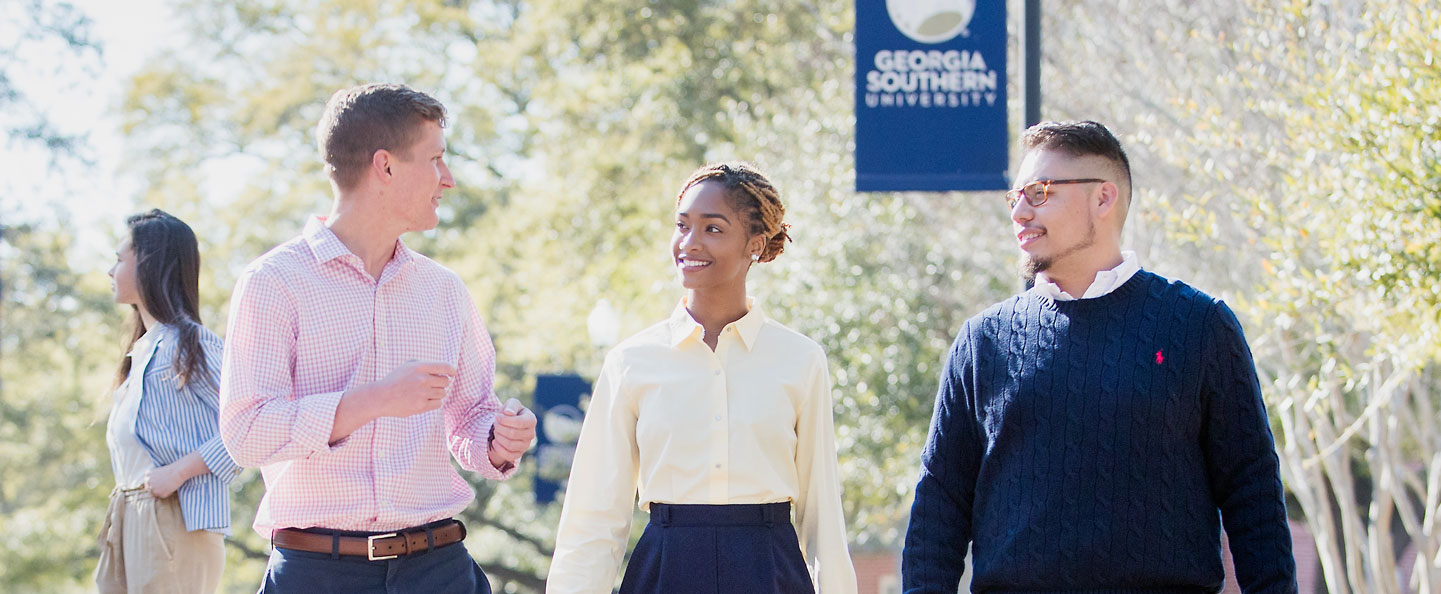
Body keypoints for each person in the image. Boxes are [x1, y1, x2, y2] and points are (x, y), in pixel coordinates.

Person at [901, 121, 1298, 593]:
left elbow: (1253, 497)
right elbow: (938, 511)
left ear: (1103, 198)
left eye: (1040, 193)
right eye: (1016, 197)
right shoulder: (982, 341)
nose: (1020, 212)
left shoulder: (1200, 326)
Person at [218, 83, 537, 594]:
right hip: (318, 574)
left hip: (439, 569)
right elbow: (246, 432)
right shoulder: (273, 283)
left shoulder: (444, 290)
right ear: (385, 167)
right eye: (436, 159)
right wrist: (375, 400)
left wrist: (499, 439)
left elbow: (471, 416)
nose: (448, 179)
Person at [547, 163, 858, 594]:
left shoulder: (801, 359)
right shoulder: (632, 361)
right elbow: (594, 519)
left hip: (770, 568)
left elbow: (822, 513)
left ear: (755, 244)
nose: (689, 243)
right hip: (665, 567)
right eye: (682, 226)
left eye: (713, 228)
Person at [95, 209, 239, 594]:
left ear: (149, 262)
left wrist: (178, 472)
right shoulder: (142, 350)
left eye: (119, 258)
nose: (111, 271)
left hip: (176, 516)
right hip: (129, 511)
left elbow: (248, 431)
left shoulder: (194, 345)